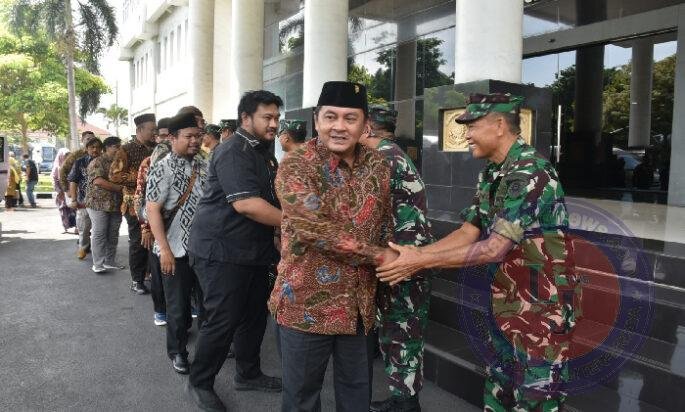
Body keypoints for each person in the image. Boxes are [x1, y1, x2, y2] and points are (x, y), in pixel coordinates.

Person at [376, 93, 580, 412]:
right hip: (507, 299)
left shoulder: (530, 173)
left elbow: (494, 248)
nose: (466, 134)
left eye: (472, 126)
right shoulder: (492, 173)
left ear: (499, 125)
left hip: (541, 308)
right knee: (499, 387)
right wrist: (416, 256)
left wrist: (419, 260)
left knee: (536, 398)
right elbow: (468, 231)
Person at [269, 81, 396, 412]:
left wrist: (399, 262)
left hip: (359, 305)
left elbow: (384, 223)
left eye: (350, 118)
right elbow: (316, 230)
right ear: (316, 120)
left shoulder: (378, 165)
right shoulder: (297, 165)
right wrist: (382, 256)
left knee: (357, 395)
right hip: (305, 306)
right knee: (301, 399)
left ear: (365, 124)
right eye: (330, 117)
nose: (339, 126)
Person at [186, 90, 284, 412]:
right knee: (223, 320)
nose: (274, 124)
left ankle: (248, 373)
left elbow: (269, 199)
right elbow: (246, 204)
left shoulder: (262, 152)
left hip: (253, 251)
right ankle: (200, 382)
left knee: (254, 316)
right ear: (246, 118)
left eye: (276, 117)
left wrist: (277, 233)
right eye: (267, 117)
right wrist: (297, 223)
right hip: (220, 251)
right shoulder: (233, 150)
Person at [358, 105, 433, 412]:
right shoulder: (394, 153)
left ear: (366, 129)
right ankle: (402, 398)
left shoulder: (381, 158)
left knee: (402, 333)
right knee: (399, 331)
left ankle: (406, 404)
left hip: (402, 262)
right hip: (404, 258)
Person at [146, 112, 207, 374]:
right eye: (189, 136)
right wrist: (165, 251)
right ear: (172, 138)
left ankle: (208, 349)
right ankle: (178, 352)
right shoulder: (162, 168)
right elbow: (152, 210)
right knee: (178, 308)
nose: (195, 141)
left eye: (198, 136)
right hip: (174, 249)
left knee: (207, 304)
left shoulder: (205, 163)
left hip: (204, 249)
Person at [110, 114, 156, 294]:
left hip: (155, 202)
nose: (154, 133)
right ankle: (137, 280)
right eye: (151, 129)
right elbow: (114, 175)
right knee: (138, 242)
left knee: (154, 239)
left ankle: (150, 274)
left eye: (155, 129)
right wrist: (141, 176)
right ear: (139, 130)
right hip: (134, 205)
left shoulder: (157, 148)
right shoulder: (126, 150)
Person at [135, 117, 172, 327]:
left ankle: (188, 307)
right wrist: (145, 228)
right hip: (156, 228)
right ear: (156, 137)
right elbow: (140, 198)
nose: (165, 139)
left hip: (182, 229)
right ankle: (160, 310)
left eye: (169, 135)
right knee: (158, 271)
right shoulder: (148, 163)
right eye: (161, 135)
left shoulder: (190, 161)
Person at [87, 136, 124, 274]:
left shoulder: (119, 162)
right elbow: (98, 181)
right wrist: (119, 188)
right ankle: (97, 264)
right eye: (116, 147)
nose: (119, 150)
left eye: (120, 147)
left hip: (115, 203)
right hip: (97, 203)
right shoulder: (97, 162)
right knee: (100, 233)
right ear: (107, 147)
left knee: (113, 234)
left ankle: (110, 261)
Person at [68, 138, 102, 260]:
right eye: (92, 147)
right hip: (83, 200)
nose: (95, 149)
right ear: (87, 149)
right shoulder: (80, 162)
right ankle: (83, 247)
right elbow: (73, 181)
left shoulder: (105, 162)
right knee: (84, 227)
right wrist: (73, 199)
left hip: (101, 202)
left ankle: (100, 251)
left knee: (100, 228)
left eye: (98, 147)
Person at [60, 131, 97, 198]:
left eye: (93, 139)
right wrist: (66, 189)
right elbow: (63, 170)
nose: (91, 141)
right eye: (88, 139)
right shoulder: (76, 155)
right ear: (82, 140)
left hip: (94, 193)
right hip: (78, 193)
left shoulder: (98, 154)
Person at [52, 148, 76, 233]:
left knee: (74, 209)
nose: (67, 157)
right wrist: (59, 191)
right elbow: (54, 179)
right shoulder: (57, 167)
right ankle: (65, 227)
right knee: (63, 209)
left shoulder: (72, 165)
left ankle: (77, 227)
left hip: (71, 190)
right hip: (61, 192)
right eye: (65, 155)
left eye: (68, 155)